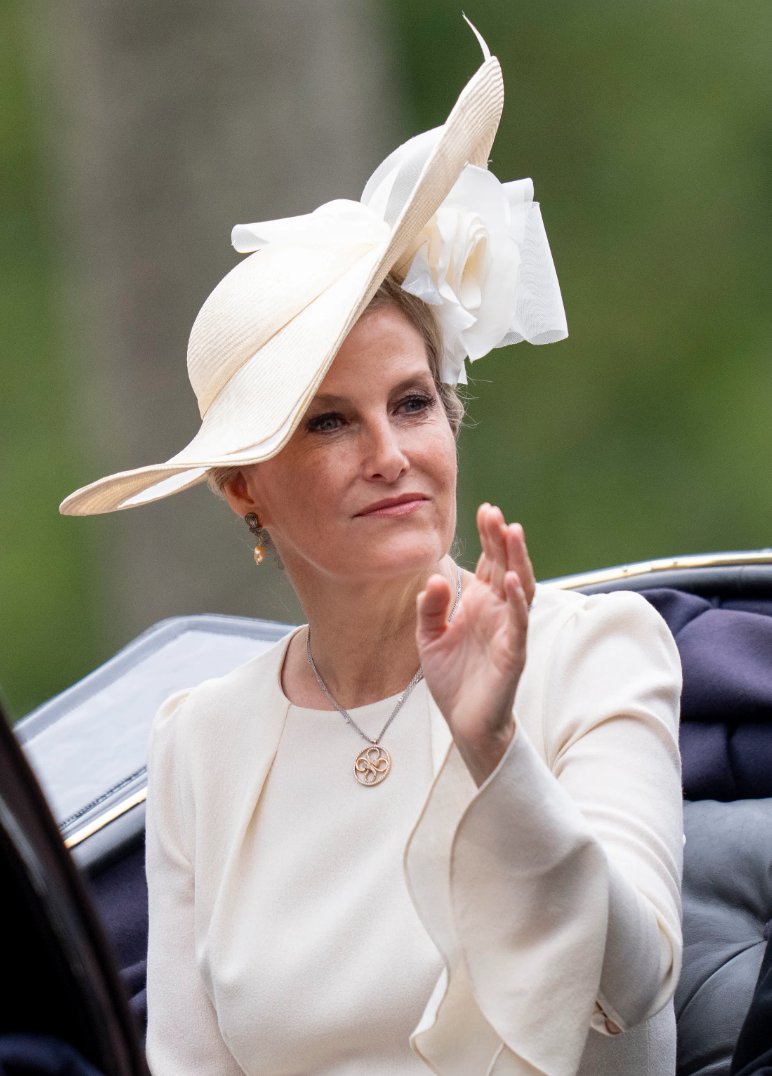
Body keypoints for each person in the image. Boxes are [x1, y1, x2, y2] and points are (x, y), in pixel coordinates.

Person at [61, 27, 683, 1076]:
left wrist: (494, 753)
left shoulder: (601, 651)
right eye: (328, 423)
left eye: (410, 402)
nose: (391, 454)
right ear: (242, 485)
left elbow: (634, 984)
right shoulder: (197, 744)